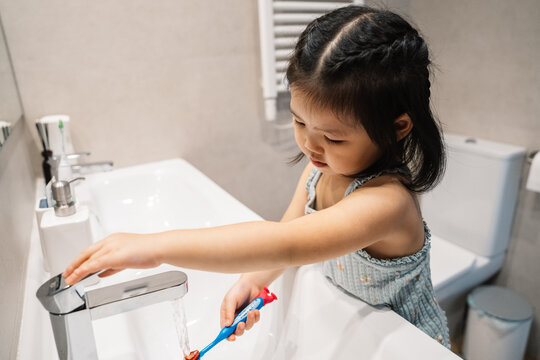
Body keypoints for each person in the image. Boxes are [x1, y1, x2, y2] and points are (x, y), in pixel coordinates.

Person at [63, 5, 450, 349]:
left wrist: (155, 247)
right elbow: (287, 229)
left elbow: (284, 244)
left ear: (398, 127)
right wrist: (253, 281)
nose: (311, 146)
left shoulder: (388, 203)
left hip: (408, 344)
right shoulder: (322, 171)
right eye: (299, 121)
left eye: (333, 137)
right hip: (357, 324)